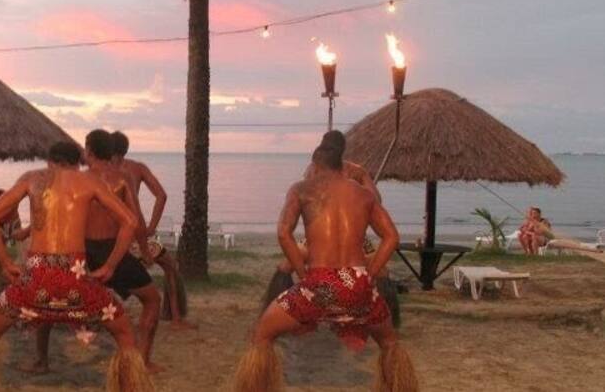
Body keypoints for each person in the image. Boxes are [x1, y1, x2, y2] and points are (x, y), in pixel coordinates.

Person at [0, 141, 154, 392]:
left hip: (34, 281)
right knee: (125, 336)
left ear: (50, 161)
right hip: (77, 280)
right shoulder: (89, 182)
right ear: (77, 162)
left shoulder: (32, 178)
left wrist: (6, 262)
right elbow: (130, 221)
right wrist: (110, 265)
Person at [234, 131, 417, 392]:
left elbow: (283, 233)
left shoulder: (301, 189)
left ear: (315, 166)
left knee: (262, 334)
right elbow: (392, 237)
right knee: (389, 343)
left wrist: (302, 273)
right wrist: (370, 276)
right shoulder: (364, 195)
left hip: (318, 286)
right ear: (341, 165)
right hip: (358, 286)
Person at [28, 130, 164, 374]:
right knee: (152, 300)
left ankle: (40, 361)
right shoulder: (121, 179)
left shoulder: (77, 179)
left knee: (47, 299)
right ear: (111, 152)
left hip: (79, 251)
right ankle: (142, 361)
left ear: (88, 151)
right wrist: (144, 251)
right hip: (112, 250)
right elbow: (136, 221)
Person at [262, 131, 403, 328]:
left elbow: (375, 202)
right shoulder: (332, 171)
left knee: (382, 273)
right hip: (326, 241)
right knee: (286, 266)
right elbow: (376, 203)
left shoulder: (350, 171)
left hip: (345, 240)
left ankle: (384, 317)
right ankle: (284, 311)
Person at [110, 130, 195, 329]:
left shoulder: (99, 173)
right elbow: (161, 196)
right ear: (125, 149)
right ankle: (175, 318)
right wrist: (150, 228)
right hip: (135, 240)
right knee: (170, 266)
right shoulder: (137, 169)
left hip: (110, 240)